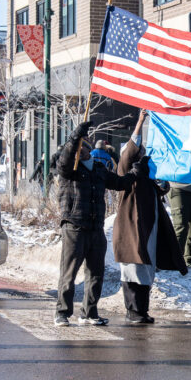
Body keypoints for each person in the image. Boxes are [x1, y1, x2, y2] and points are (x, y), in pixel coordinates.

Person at [53, 120, 139, 327]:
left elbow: (120, 183)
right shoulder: (68, 169)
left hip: (95, 228)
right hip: (74, 226)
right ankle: (62, 313)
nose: (78, 150)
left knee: (95, 273)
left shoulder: (99, 170)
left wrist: (137, 172)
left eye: (83, 146)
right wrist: (75, 135)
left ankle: (89, 313)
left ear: (89, 150)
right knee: (69, 272)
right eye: (76, 147)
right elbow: (64, 159)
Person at [113, 110, 188, 324]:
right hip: (132, 229)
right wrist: (139, 123)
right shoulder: (127, 173)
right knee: (132, 269)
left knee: (146, 269)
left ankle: (141, 311)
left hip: (148, 229)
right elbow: (128, 153)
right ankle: (134, 311)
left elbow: (158, 190)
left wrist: (161, 184)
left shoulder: (145, 178)